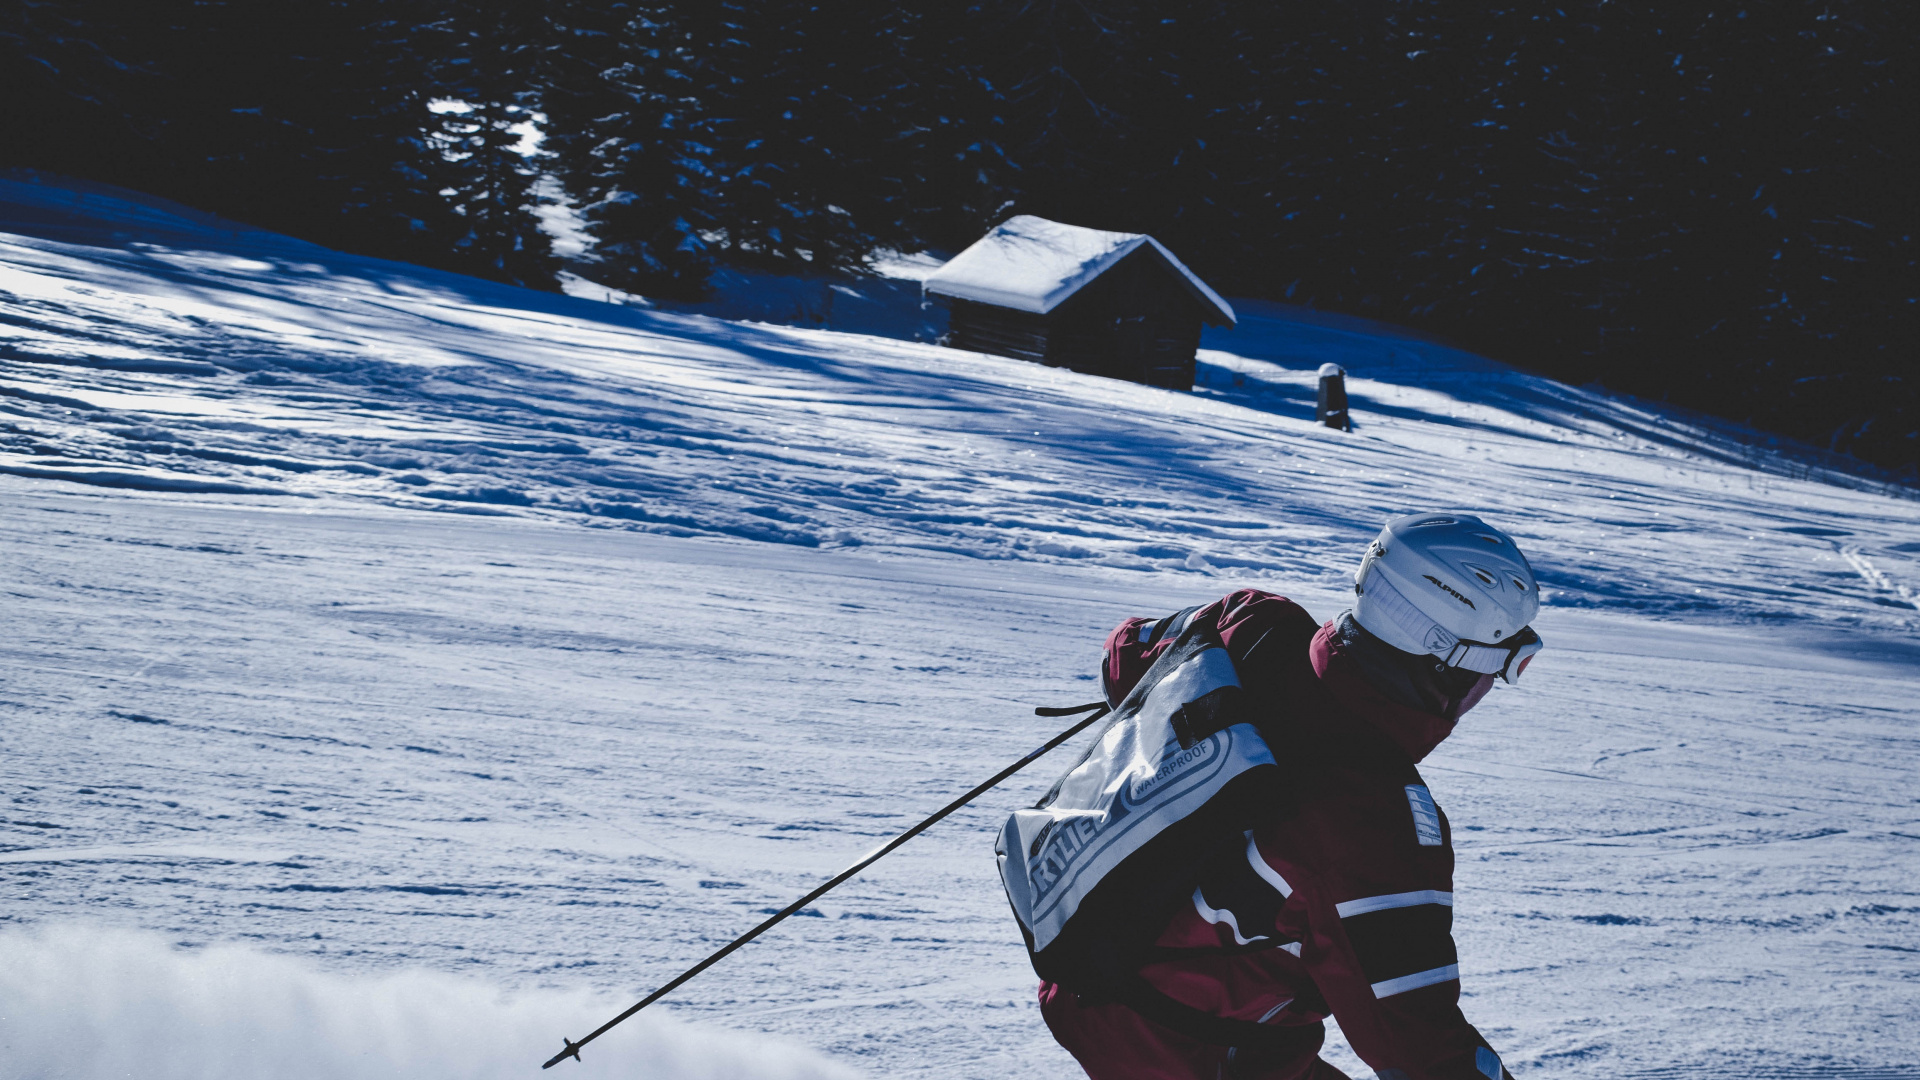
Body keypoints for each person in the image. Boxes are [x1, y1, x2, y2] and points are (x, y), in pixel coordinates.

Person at [1039, 512, 1543, 1080]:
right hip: (1182, 1051)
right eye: (1504, 667)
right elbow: (1419, 1044)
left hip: (1084, 962)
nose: (1492, 688)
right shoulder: (1374, 828)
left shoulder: (1252, 623)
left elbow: (1124, 652)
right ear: (1446, 666)